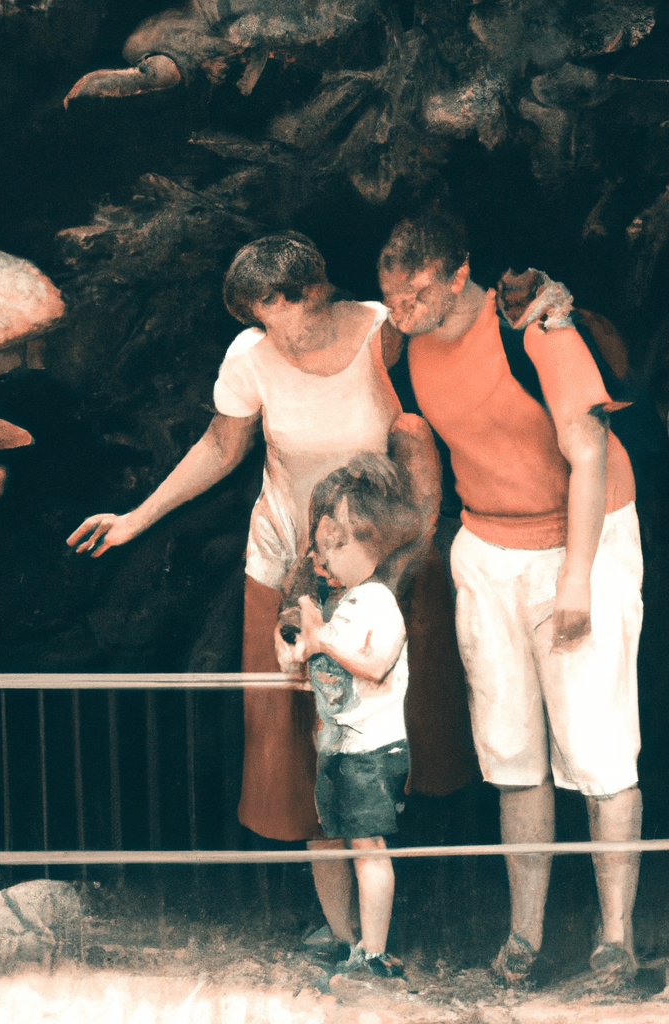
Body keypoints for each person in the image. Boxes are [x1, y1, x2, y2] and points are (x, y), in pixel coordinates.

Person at [68, 232, 441, 946]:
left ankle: (393, 925)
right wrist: (134, 519)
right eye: (257, 316)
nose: (273, 332)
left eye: (280, 310)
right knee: (298, 746)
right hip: (286, 569)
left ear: (314, 290)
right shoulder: (250, 357)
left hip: (377, 576)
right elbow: (221, 447)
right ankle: (340, 927)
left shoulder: (380, 332)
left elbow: (428, 416)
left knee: (387, 739)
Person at [377, 211, 644, 989]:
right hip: (488, 549)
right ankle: (523, 937)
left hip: (581, 537)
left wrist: (576, 579)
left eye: (416, 292)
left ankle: (616, 939)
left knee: (595, 747)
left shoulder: (535, 327)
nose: (403, 309)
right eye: (391, 296)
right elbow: (424, 461)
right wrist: (412, 571)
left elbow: (588, 452)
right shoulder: (402, 346)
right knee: (511, 752)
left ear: (459, 275)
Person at [276, 452, 417, 978]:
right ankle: (351, 942)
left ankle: (374, 955)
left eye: (337, 543)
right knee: (338, 840)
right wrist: (297, 639)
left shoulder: (379, 601)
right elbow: (301, 666)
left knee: (367, 847)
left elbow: (376, 666)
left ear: (369, 542)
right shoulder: (341, 604)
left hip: (371, 750)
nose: (323, 555)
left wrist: (322, 642)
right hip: (336, 746)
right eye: (322, 544)